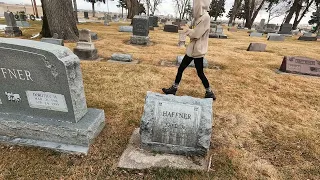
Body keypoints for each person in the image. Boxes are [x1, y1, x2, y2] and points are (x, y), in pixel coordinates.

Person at [162, 0, 216, 100]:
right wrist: (187, 27)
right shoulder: (198, 17)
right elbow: (191, 26)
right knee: (181, 68)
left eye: (195, 4)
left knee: (200, 72)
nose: (194, 6)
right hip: (192, 49)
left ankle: (209, 92)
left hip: (198, 50)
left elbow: (196, 34)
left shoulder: (205, 17)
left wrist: (187, 30)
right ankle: (174, 88)